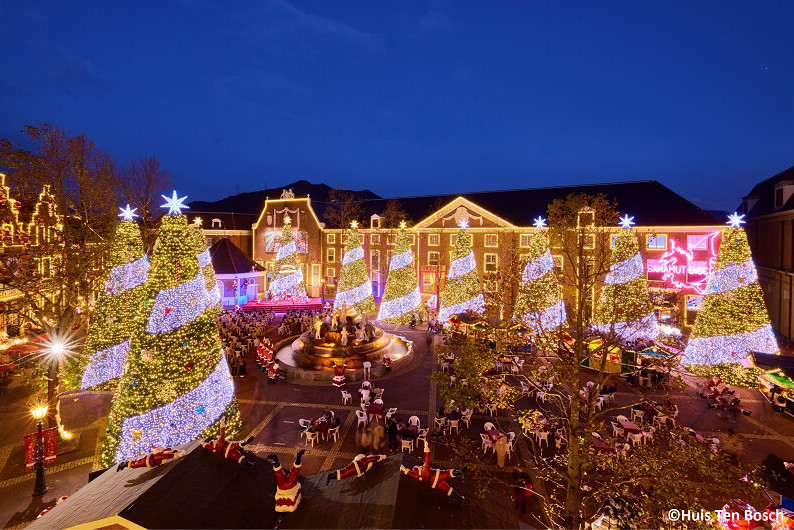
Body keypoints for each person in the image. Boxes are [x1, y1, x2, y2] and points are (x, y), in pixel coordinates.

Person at [400, 442, 467, 502]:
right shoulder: (424, 469)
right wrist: (426, 447)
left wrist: (403, 469)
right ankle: (460, 472)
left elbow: (410, 474)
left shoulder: (418, 477)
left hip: (435, 484)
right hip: (438, 476)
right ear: (418, 468)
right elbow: (427, 459)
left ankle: (460, 499)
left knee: (447, 490)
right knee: (448, 473)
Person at [117, 447, 185, 471]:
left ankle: (126, 463)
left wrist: (177, 452)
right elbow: (167, 456)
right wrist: (178, 454)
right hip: (148, 461)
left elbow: (170, 453)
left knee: (136, 463)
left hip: (150, 461)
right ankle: (125, 464)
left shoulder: (160, 453)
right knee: (136, 464)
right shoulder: (159, 455)